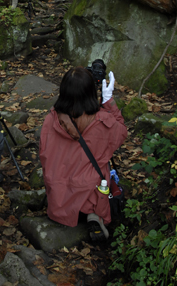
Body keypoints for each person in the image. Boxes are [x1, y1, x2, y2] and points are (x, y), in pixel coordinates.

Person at [39, 67, 127, 242]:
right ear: (91, 92)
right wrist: (108, 102)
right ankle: (94, 213)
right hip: (88, 194)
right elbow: (121, 133)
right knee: (101, 163)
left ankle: (66, 206)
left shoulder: (52, 120)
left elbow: (45, 155)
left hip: (59, 199)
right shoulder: (102, 121)